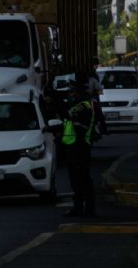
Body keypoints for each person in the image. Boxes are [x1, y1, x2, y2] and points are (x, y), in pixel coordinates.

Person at [61, 76, 97, 217]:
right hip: (72, 147)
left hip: (80, 147)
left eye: (72, 92)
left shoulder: (84, 106)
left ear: (79, 92)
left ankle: (88, 209)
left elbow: (81, 126)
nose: (70, 94)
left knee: (83, 179)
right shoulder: (75, 106)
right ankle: (78, 208)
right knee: (75, 180)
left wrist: (70, 117)